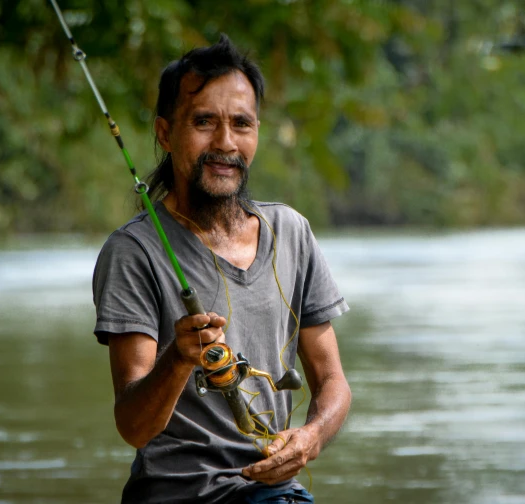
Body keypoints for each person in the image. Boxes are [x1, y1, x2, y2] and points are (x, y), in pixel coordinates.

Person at [92, 34, 351, 504]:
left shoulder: (291, 232)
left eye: (241, 124)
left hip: (272, 493)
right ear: (166, 133)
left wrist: (310, 437)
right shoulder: (133, 251)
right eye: (204, 122)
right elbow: (133, 426)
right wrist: (178, 358)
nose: (225, 143)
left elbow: (332, 381)